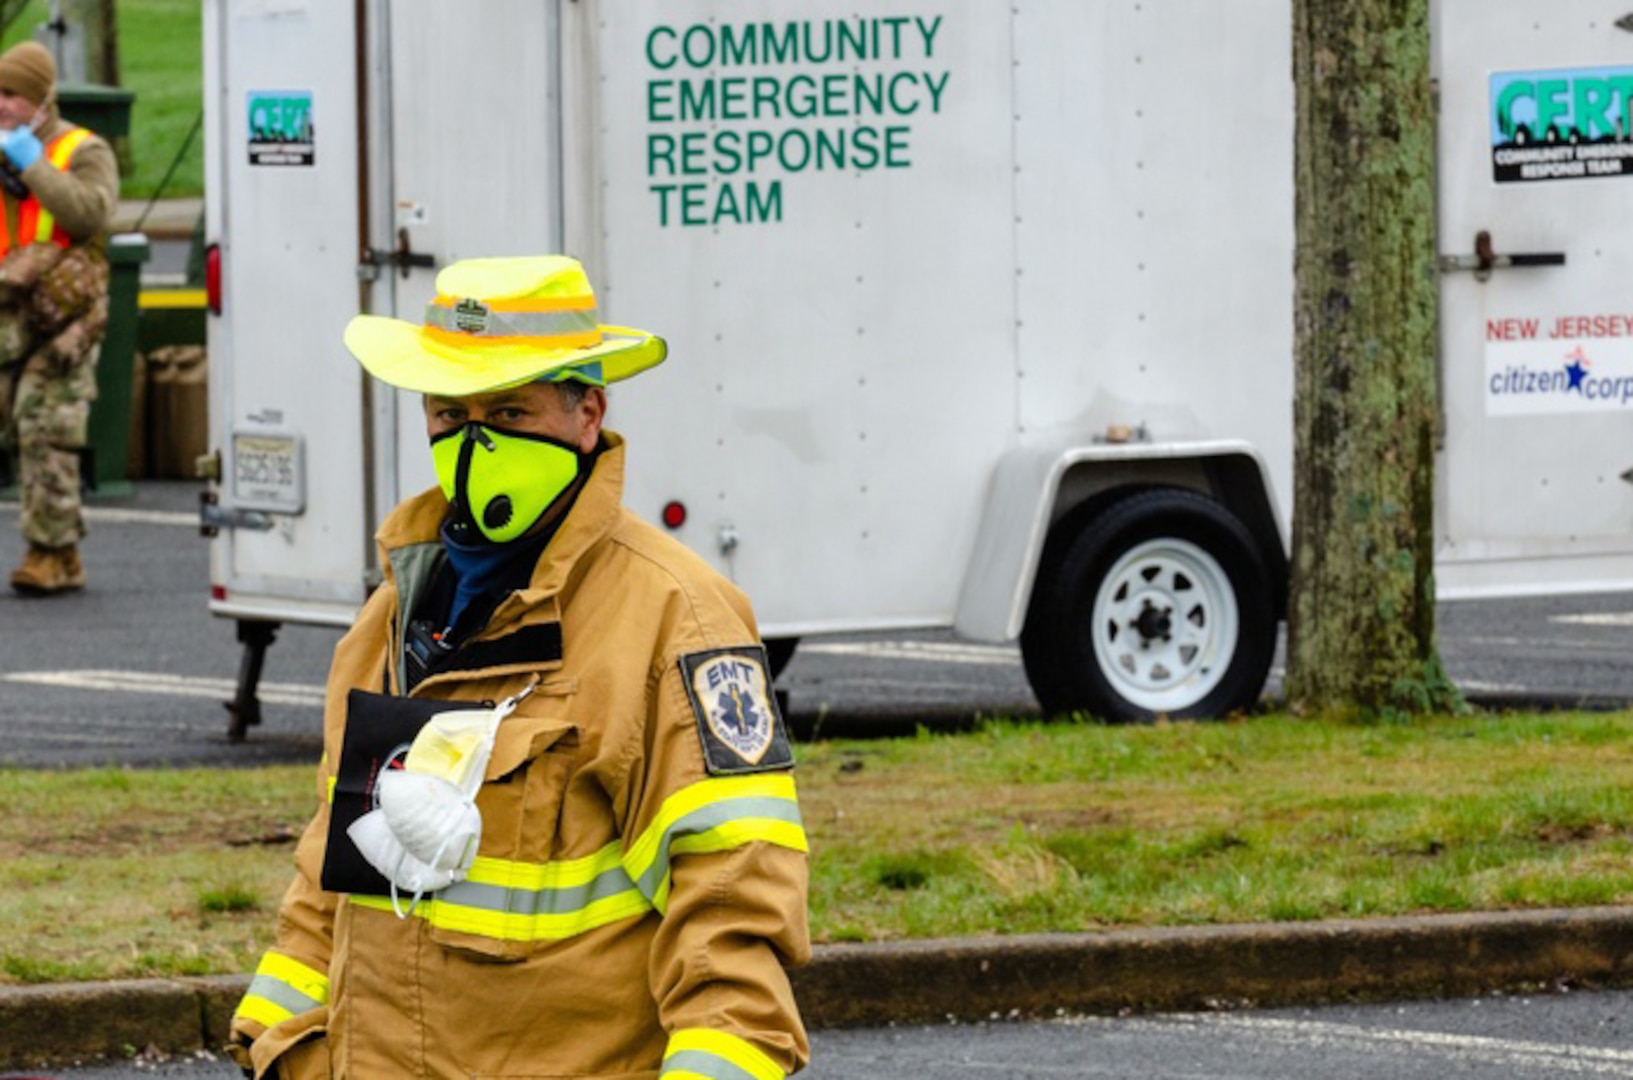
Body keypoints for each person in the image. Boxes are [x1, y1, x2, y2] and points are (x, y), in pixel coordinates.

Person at [228, 255, 811, 1079]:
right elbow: (333, 876)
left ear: (587, 413)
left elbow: (731, 908)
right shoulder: (393, 614)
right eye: (450, 411)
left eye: (507, 409)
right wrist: (277, 1048)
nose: (475, 441)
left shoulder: (672, 617)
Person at [0, 41, 119, 595]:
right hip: (9, 317)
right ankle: (61, 549)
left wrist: (34, 165)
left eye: (11, 96)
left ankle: (49, 553)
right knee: (22, 428)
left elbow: (90, 212)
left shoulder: (82, 149)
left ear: (41, 100)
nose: (1, 105)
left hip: (65, 317)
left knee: (44, 424)